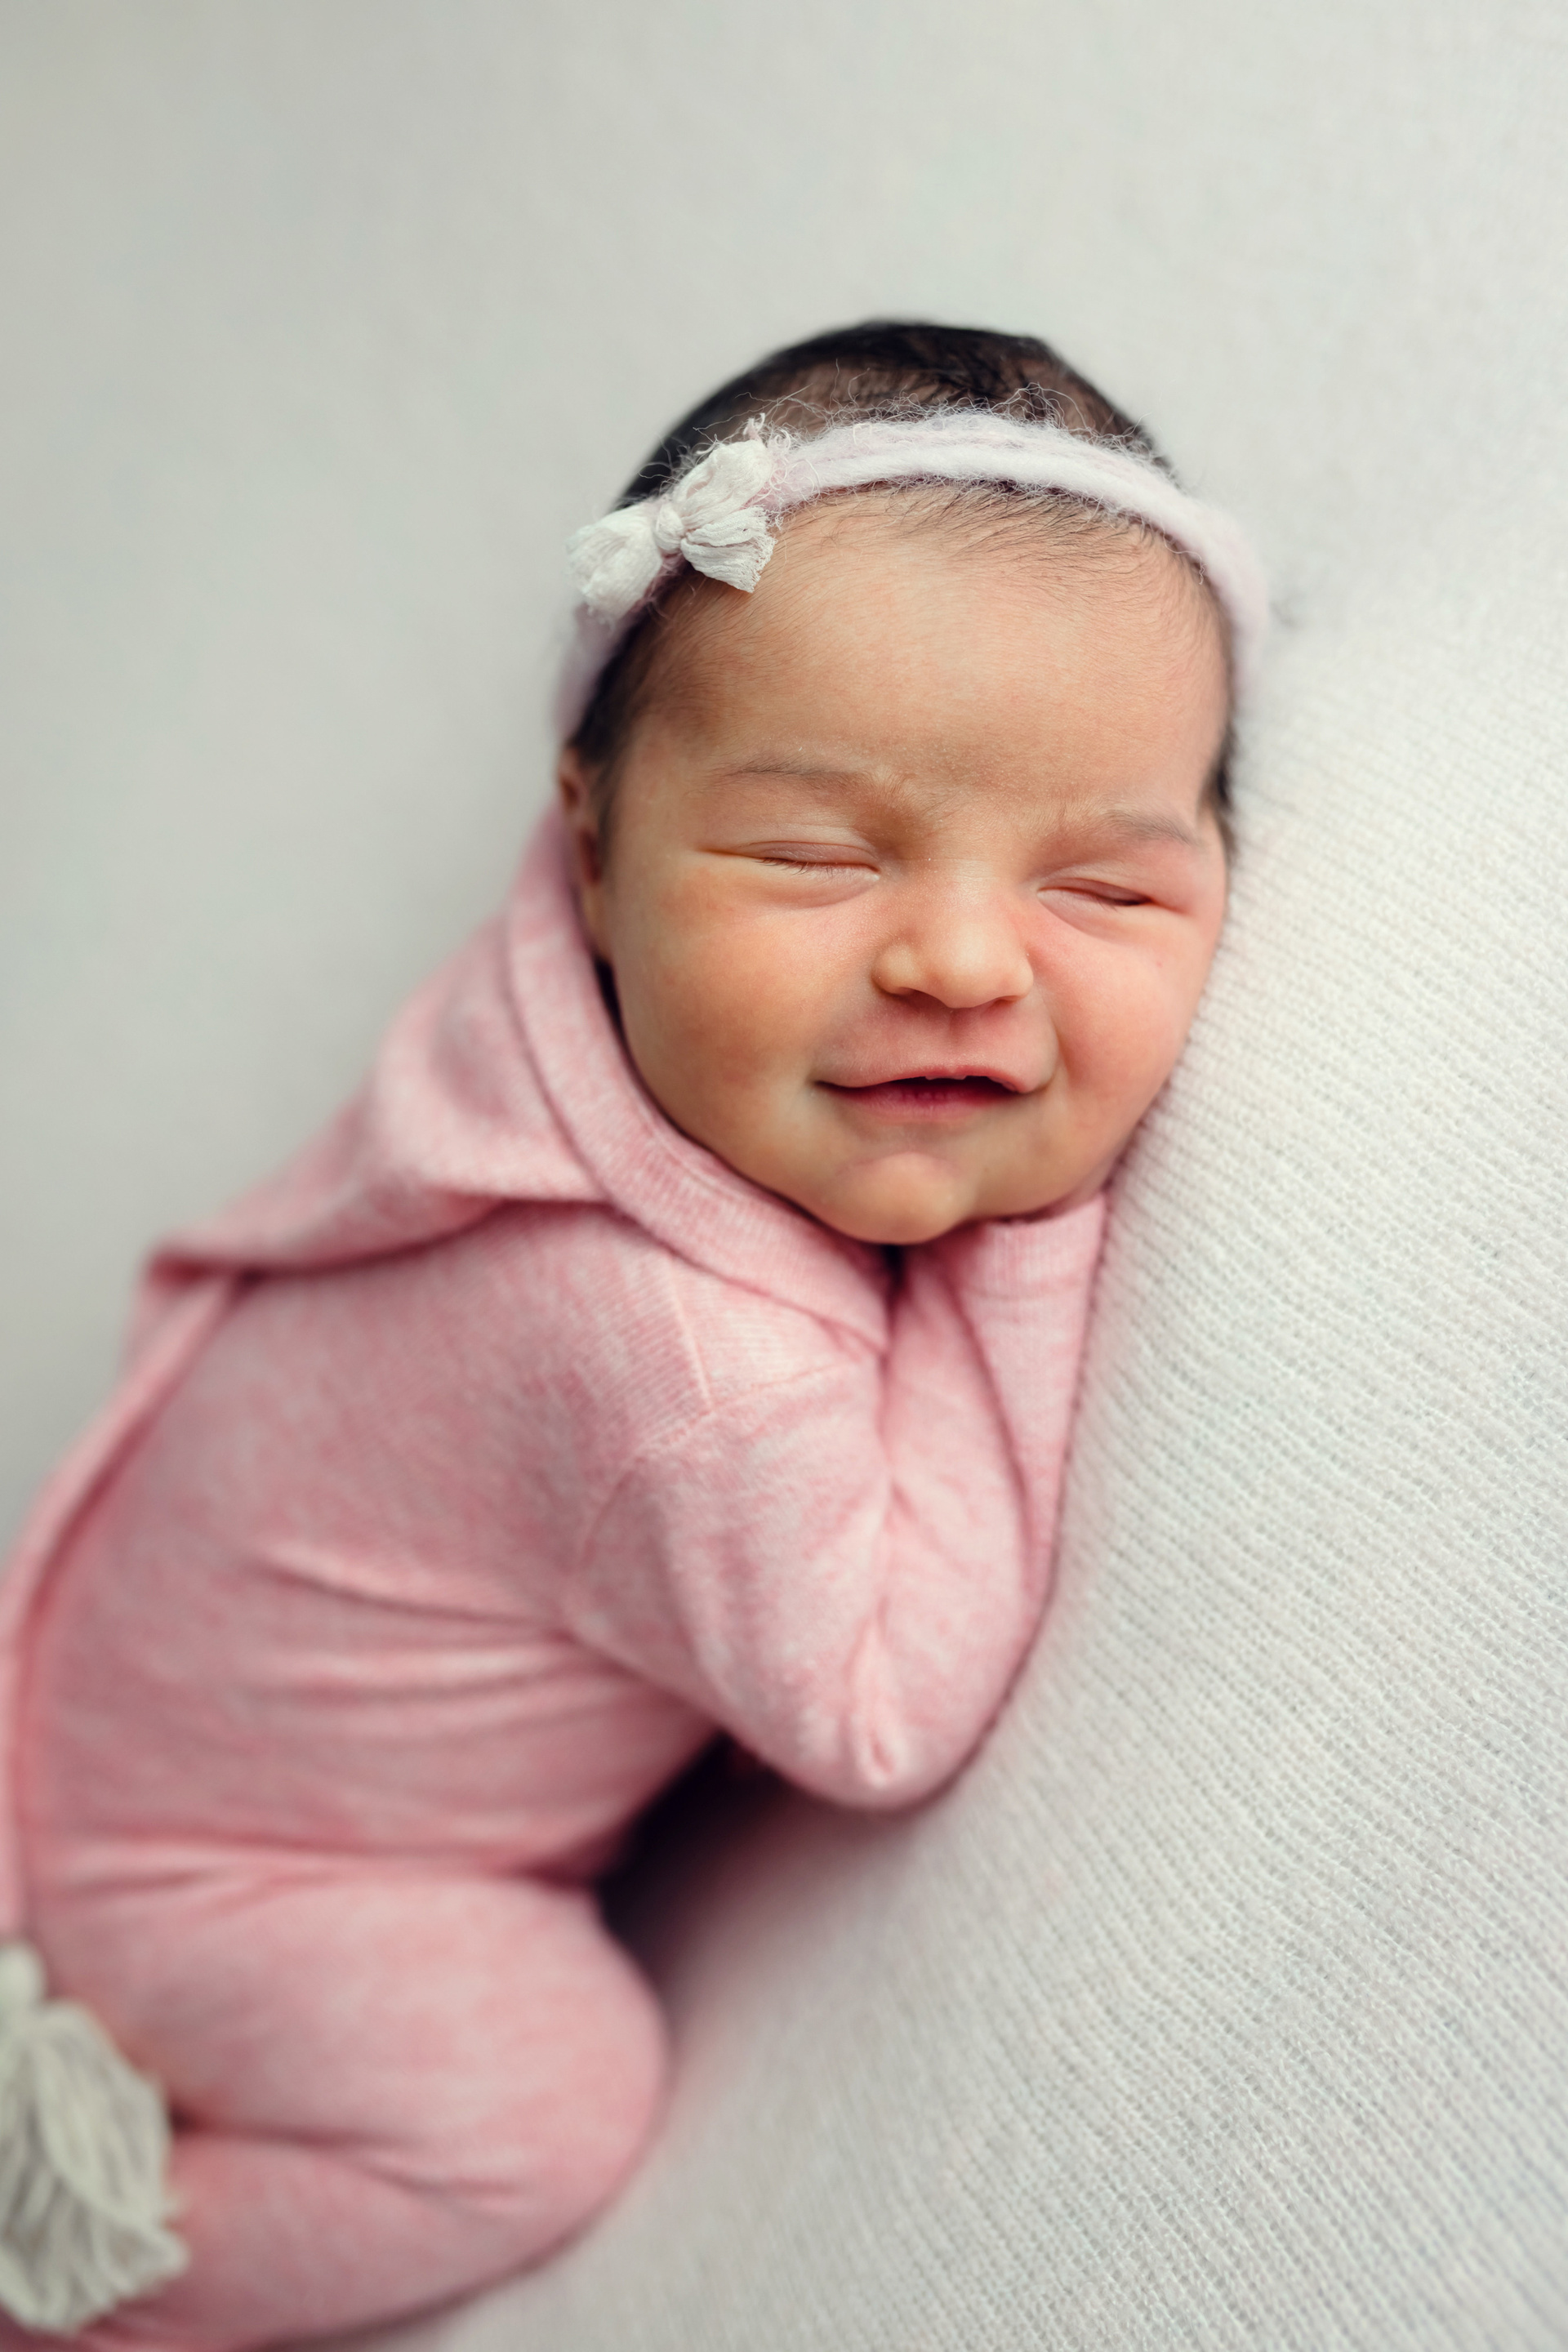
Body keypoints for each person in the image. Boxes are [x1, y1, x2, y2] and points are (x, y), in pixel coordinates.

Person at [0, 321, 1266, 2349]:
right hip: (217, 1883)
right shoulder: (680, 1358)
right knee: (543, 2110)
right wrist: (1025, 1234)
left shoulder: (527, 1036)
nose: (958, 958)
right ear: (588, 854)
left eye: (1107, 892)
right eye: (813, 859)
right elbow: (877, 1706)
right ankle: (68, 2291)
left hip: (87, 1717)